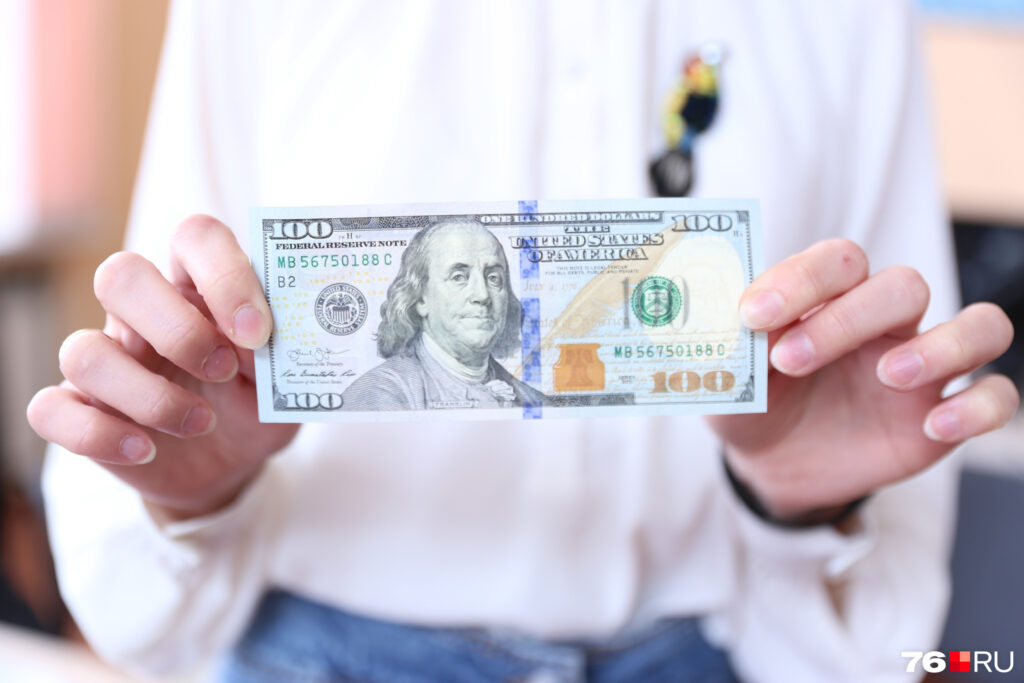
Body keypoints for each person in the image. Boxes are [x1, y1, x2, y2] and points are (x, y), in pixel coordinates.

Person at [27, 1, 1019, 681]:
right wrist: (194, 489)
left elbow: (875, 647)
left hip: (715, 652)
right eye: (460, 277)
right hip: (318, 649)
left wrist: (806, 509)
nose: (488, 292)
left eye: (490, 277)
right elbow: (136, 604)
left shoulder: (848, 15)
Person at [341, 219, 546, 411]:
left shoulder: (535, 402)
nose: (482, 295)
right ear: (420, 299)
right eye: (458, 277)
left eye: (493, 278)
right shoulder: (376, 395)